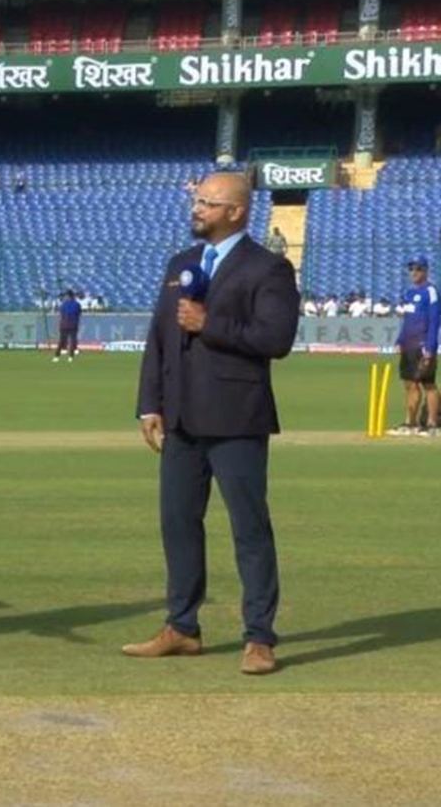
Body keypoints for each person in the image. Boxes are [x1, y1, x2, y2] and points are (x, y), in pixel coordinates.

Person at [129, 172, 300, 676]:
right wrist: (149, 404)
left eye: (208, 202)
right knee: (178, 525)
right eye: (197, 200)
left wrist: (211, 325)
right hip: (180, 419)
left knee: (249, 530)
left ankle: (259, 637)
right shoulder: (180, 265)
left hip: (236, 419)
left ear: (237, 212)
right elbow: (159, 338)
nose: (197, 208)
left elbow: (276, 338)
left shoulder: (268, 269)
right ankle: (181, 627)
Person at [390, 257, 439, 436]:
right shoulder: (409, 293)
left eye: (418, 269)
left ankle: (432, 424)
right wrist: (400, 340)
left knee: (428, 384)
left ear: (425, 270)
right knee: (409, 384)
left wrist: (431, 346)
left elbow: (434, 321)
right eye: (411, 269)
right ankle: (410, 423)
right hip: (409, 344)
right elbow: (408, 321)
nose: (414, 272)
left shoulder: (431, 291)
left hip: (423, 344)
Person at [54, 289, 82, 362]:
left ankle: (57, 356)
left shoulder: (64, 304)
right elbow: (78, 314)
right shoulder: (77, 304)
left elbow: (62, 314)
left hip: (64, 325)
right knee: (72, 341)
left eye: (66, 295)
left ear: (68, 296)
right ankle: (70, 357)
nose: (65, 297)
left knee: (61, 341)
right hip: (73, 325)